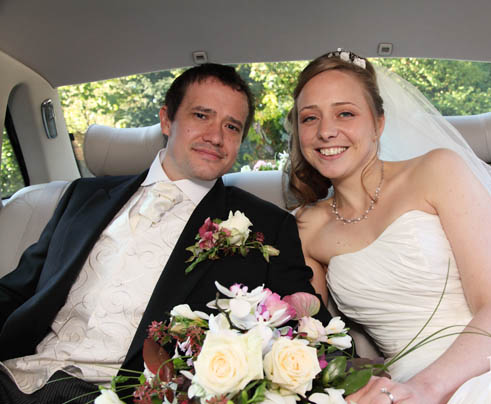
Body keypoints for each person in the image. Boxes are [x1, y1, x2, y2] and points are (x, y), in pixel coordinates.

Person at [0, 63, 330, 404]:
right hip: (15, 372)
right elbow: (17, 288)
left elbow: (307, 321)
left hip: (123, 394)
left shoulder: (266, 226)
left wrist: (349, 379)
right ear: (166, 120)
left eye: (231, 127)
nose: (216, 136)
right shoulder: (82, 197)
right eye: (201, 116)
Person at [287, 50, 491, 403]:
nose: (326, 131)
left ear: (378, 124)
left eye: (345, 113)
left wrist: (425, 389)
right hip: (396, 391)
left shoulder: (437, 171)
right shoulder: (306, 228)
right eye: (310, 118)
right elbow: (310, 341)